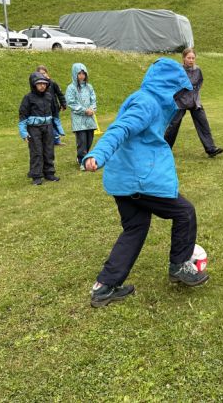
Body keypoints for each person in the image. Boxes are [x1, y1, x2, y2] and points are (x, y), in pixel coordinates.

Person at [83, 57, 209, 308]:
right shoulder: (147, 103)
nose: (179, 98)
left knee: (135, 228)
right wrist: (98, 154)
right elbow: (120, 128)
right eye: (177, 90)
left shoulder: (147, 99)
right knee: (184, 212)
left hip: (123, 180)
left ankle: (104, 286)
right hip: (137, 180)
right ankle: (179, 265)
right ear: (167, 85)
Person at [164, 48, 223, 158]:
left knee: (203, 124)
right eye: (189, 58)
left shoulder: (198, 70)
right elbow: (171, 84)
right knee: (173, 126)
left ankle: (211, 149)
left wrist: (194, 93)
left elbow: (200, 81)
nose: (191, 60)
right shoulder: (178, 70)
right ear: (183, 58)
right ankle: (164, 149)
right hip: (180, 102)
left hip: (194, 102)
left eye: (193, 58)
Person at [18, 72, 60, 185]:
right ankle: (36, 176)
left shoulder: (49, 96)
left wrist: (58, 129)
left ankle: (49, 173)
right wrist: (24, 132)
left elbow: (55, 112)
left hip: (48, 127)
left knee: (49, 150)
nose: (42, 86)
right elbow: (23, 115)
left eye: (44, 83)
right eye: (39, 83)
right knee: (36, 151)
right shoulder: (28, 98)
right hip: (34, 129)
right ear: (33, 84)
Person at [65, 63, 97, 169]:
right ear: (75, 74)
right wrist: (84, 110)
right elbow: (71, 103)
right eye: (79, 73)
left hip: (89, 118)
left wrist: (92, 109)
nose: (82, 76)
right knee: (82, 141)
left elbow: (93, 99)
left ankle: (85, 157)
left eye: (83, 73)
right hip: (79, 120)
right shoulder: (71, 88)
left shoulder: (89, 87)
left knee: (89, 139)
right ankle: (82, 160)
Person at [36, 65, 67, 146]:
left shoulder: (52, 83)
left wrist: (63, 104)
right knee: (47, 125)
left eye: (44, 73)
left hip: (54, 108)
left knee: (55, 124)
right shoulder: (37, 86)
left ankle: (57, 141)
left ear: (47, 73)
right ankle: (48, 141)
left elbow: (60, 94)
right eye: (40, 74)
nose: (43, 75)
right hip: (44, 110)